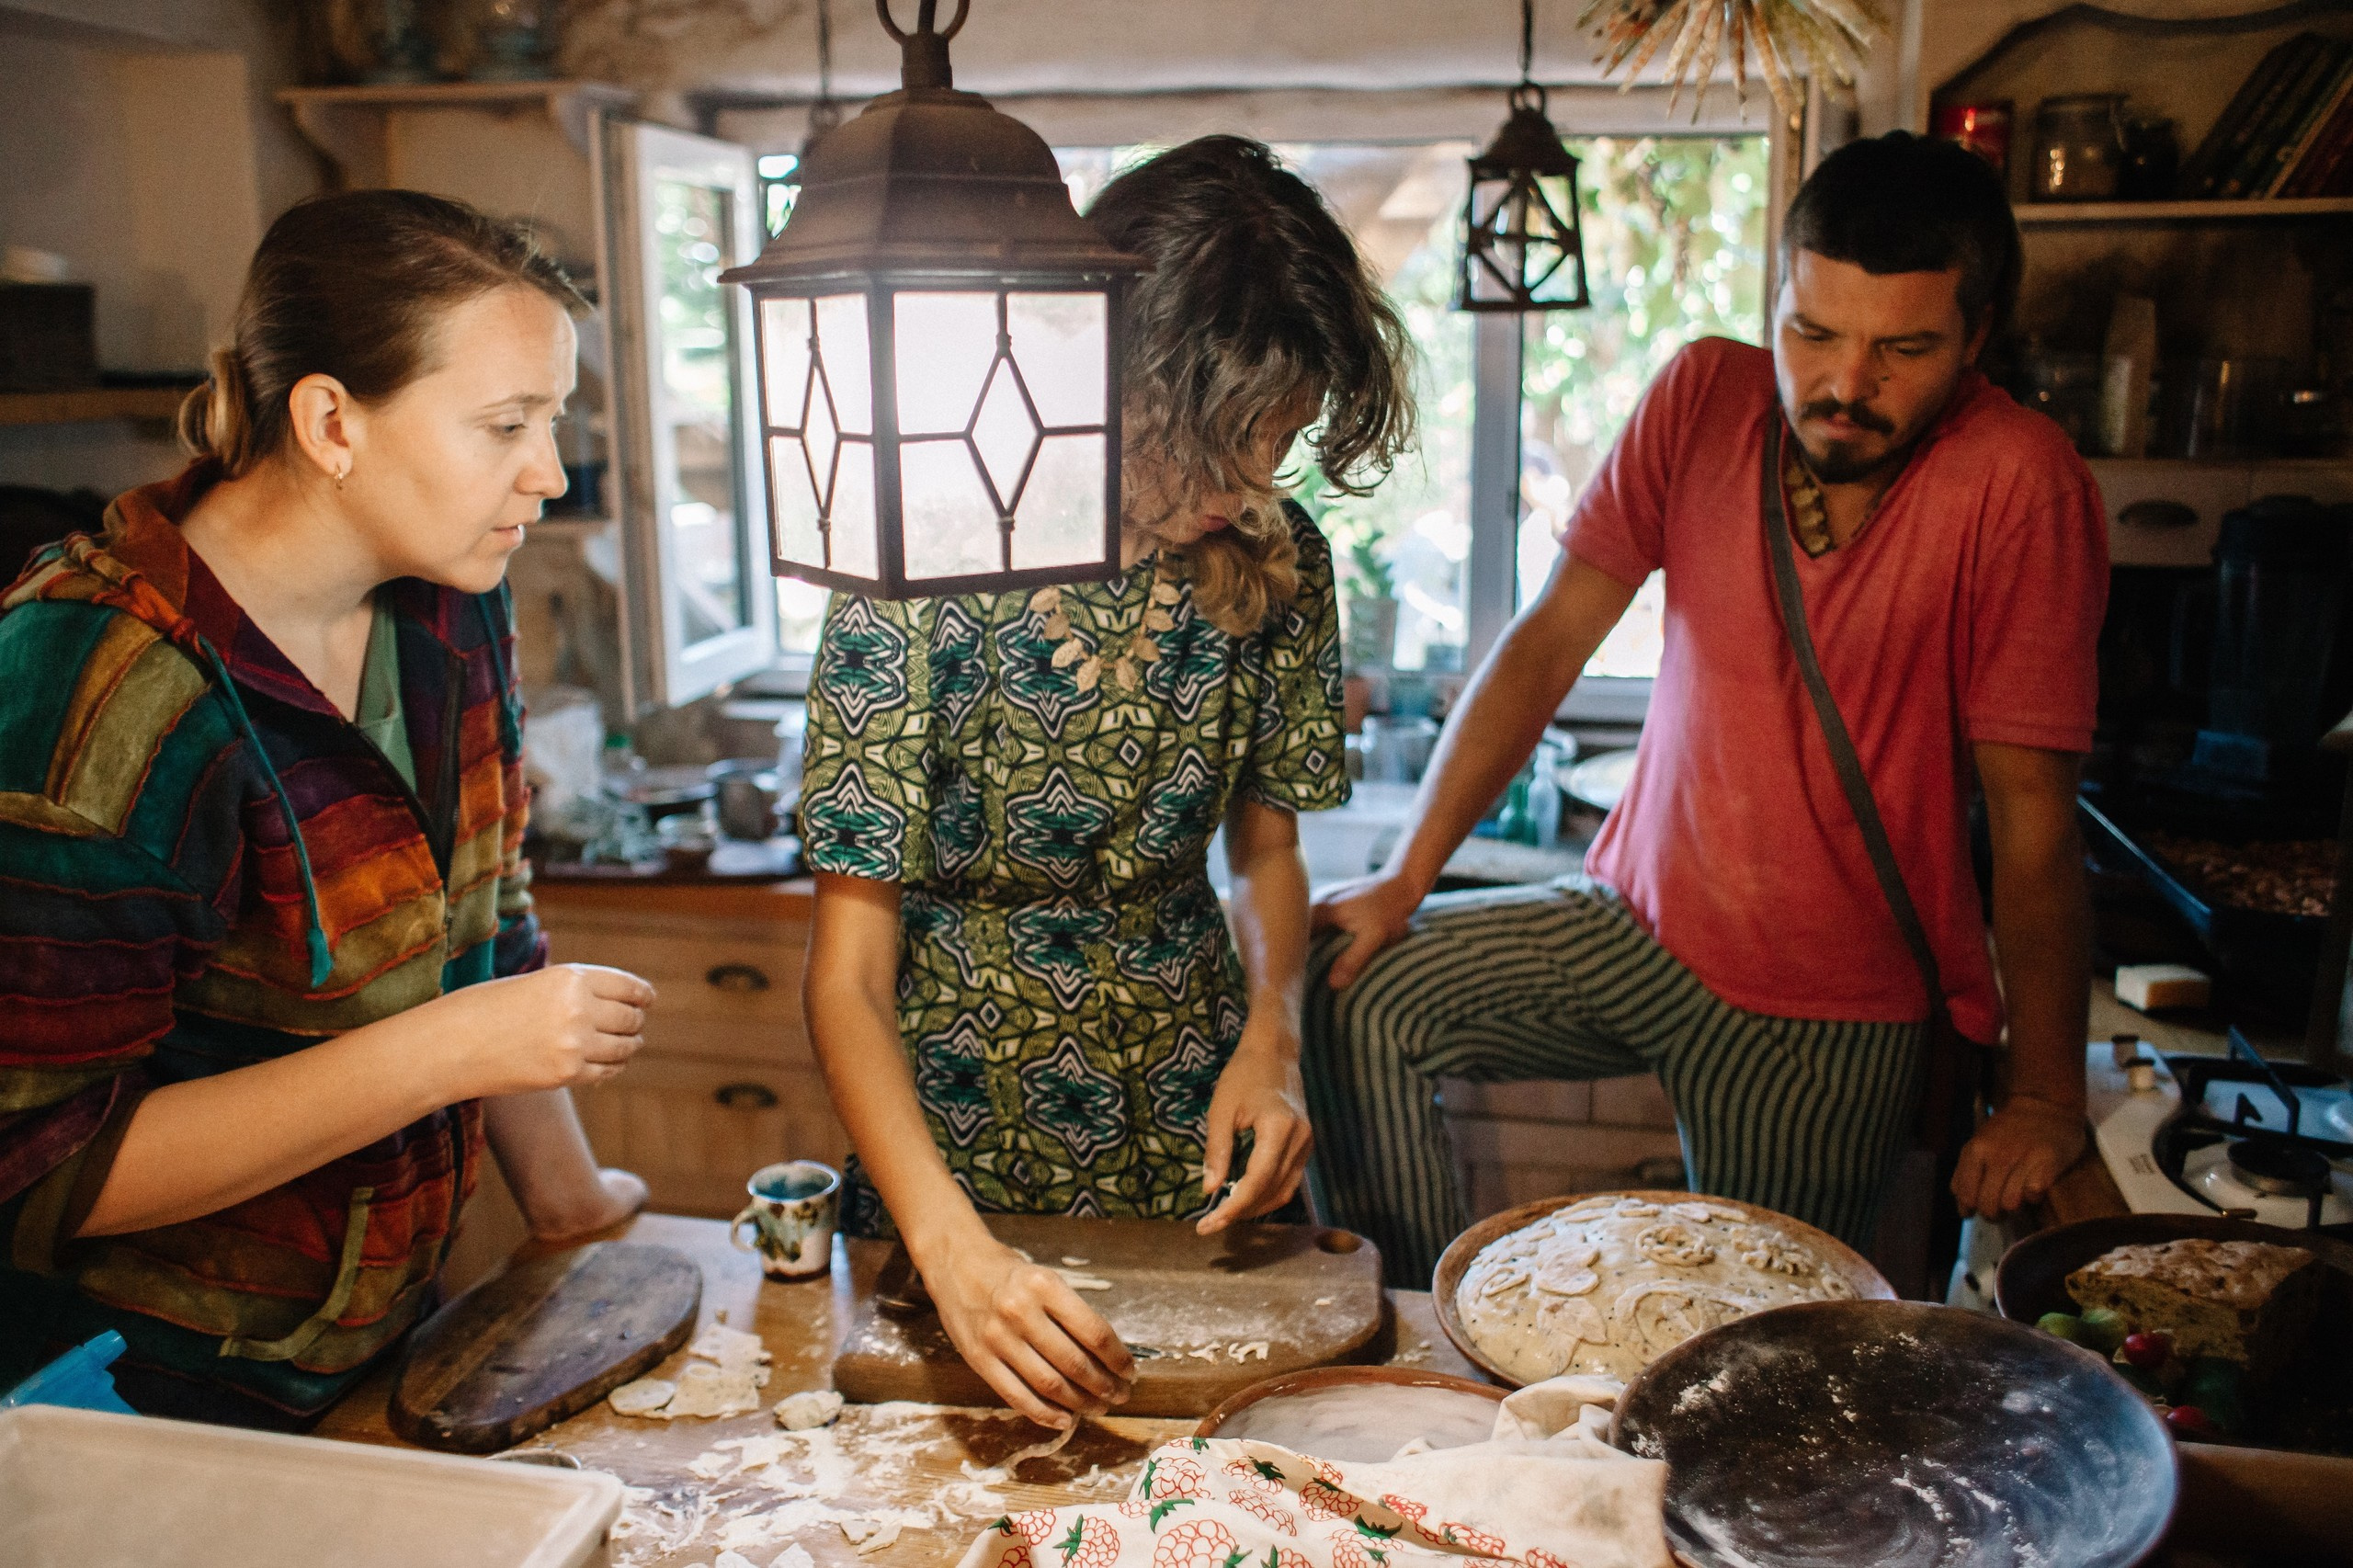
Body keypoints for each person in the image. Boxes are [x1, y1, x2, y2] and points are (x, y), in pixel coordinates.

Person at [1307, 132, 2108, 1289]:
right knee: (1351, 991)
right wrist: (1406, 873)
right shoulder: (1701, 395)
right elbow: (1544, 646)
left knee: (1737, 1344)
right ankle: (1428, 1330)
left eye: (1903, 349)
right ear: (1774, 297)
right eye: (1813, 332)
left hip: (1831, 1013)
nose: (1843, 384)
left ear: (1978, 339)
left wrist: (2044, 1094)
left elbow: (2034, 824)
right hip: (1630, 921)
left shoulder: (2022, 482)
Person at [0, 190, 654, 1426]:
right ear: (329, 422)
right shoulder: (91, 680)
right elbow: (41, 1167)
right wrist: (447, 1050)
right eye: (505, 423)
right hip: (148, 1409)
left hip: (384, 1349)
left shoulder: (451, 597)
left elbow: (484, 928)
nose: (549, 472)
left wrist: (573, 1209)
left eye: (552, 419)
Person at [800, 137, 1414, 1427]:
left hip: (1197, 1115)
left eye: (1279, 445)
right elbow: (849, 976)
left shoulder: (1279, 554)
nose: (1247, 489)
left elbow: (1269, 855)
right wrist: (953, 1248)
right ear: (1110, 365)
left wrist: (1274, 1038)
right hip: (953, 1134)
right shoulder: (927, 539)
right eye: (1215, 446)